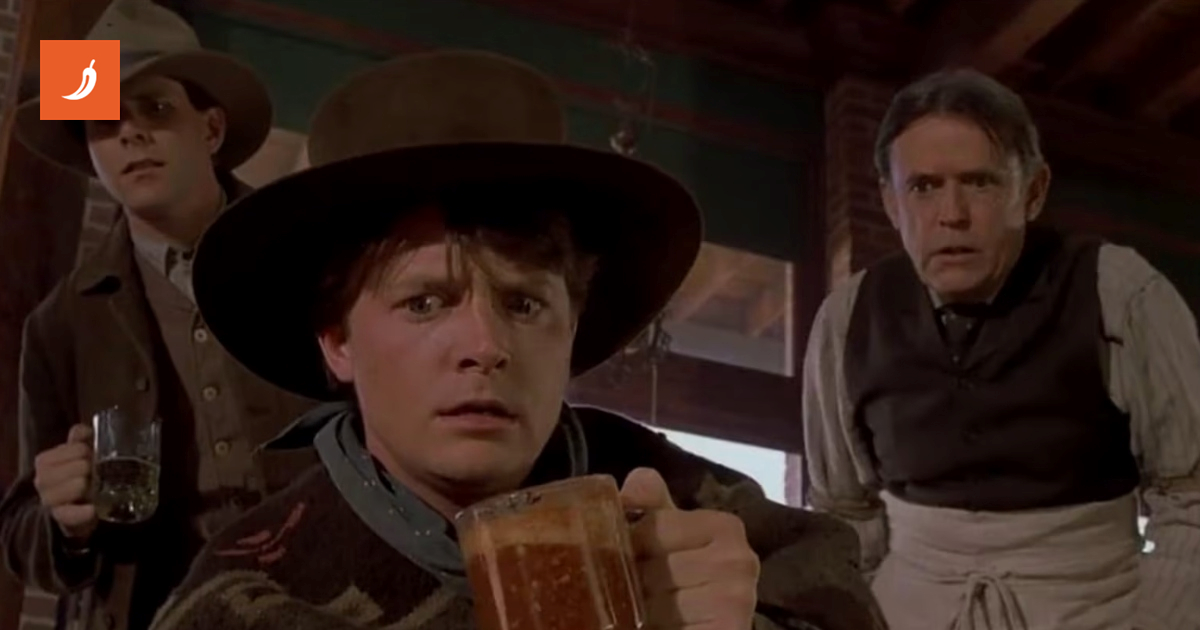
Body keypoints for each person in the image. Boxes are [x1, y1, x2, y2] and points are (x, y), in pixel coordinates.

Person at [143, 50, 887, 630]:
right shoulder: (246, 591)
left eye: (525, 304)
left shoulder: (694, 510)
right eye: (425, 303)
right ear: (338, 342)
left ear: (572, 330)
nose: (485, 344)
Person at [802, 67, 1200, 630]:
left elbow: (1192, 499)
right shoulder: (847, 320)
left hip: (1094, 610)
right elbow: (843, 513)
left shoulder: (1121, 296)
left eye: (980, 183)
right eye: (924, 187)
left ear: (1032, 192)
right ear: (891, 203)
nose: (952, 214)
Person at [0, 1, 319, 629]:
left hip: (321, 601)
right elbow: (20, 537)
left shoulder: (308, 265)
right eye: (104, 120)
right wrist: (64, 520)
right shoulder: (60, 324)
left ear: (211, 130)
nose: (129, 133)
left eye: (156, 108)